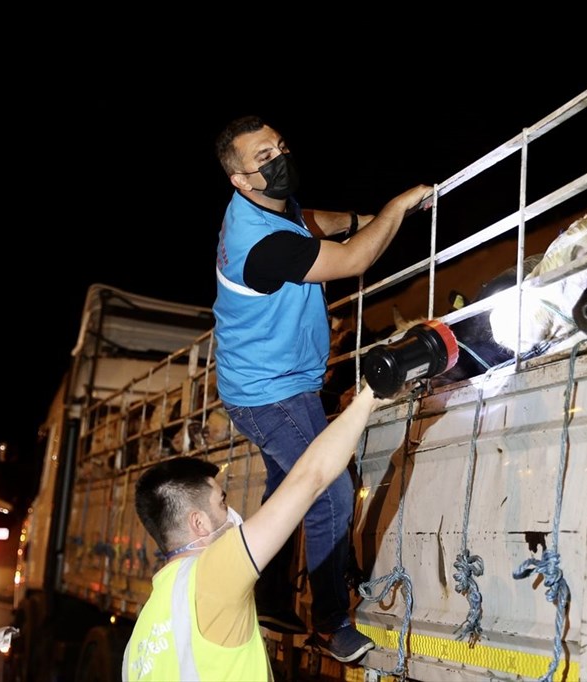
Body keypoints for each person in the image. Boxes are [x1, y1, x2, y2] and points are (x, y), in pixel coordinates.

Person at [212, 113, 432, 662]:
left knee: (287, 487)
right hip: (269, 392)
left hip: (274, 381)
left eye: (279, 146)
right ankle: (331, 622)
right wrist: (395, 209)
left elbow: (310, 220)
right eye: (263, 158)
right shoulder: (259, 245)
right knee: (328, 487)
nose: (279, 159)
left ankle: (266, 594)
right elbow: (355, 259)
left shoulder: (266, 205)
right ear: (239, 178)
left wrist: (357, 217)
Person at [122, 384, 386, 681]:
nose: (231, 512)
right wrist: (369, 397)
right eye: (222, 502)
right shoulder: (211, 577)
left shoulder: (142, 634)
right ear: (198, 523)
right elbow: (311, 478)